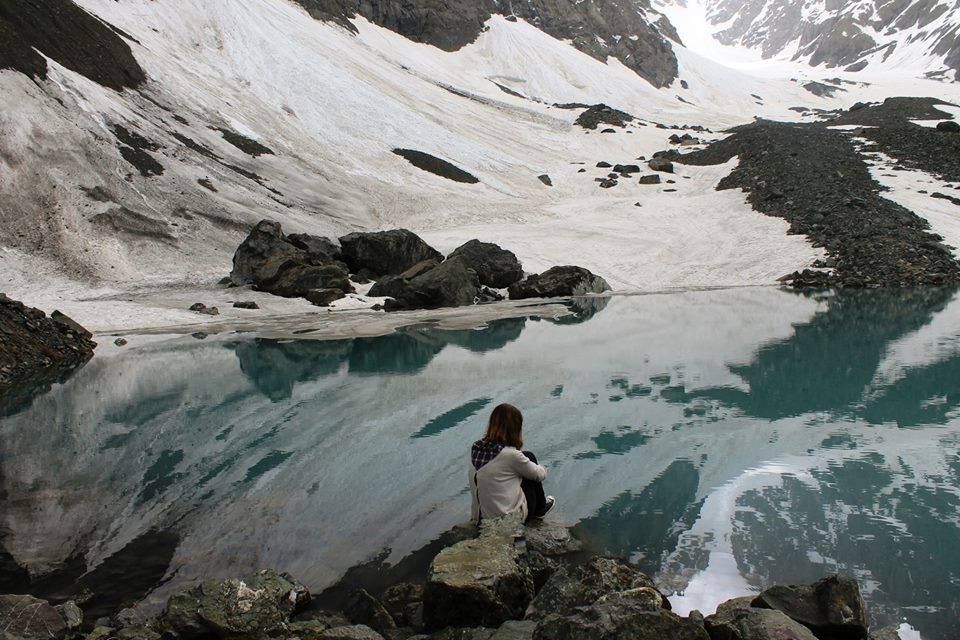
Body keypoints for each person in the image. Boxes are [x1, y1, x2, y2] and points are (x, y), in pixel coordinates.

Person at [469, 403, 555, 524]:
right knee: (529, 456)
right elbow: (539, 475)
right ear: (515, 428)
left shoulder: (475, 448)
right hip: (509, 520)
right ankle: (540, 510)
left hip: (480, 519)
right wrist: (542, 468)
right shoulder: (511, 455)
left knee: (513, 469)